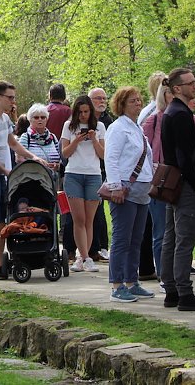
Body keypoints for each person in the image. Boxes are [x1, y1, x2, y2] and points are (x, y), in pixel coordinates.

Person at [0, 81, 46, 279]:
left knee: (2, 219)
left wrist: (33, 157)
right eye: (10, 97)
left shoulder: (5, 118)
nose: (13, 101)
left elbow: (12, 143)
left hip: (0, 174)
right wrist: (6, 171)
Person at [159, 68, 195, 311]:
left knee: (172, 237)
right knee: (184, 239)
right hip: (184, 184)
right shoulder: (180, 114)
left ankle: (172, 289)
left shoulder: (172, 112)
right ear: (177, 88)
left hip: (175, 183)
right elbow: (184, 155)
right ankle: (184, 292)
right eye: (190, 83)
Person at [103, 86, 155, 302]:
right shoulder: (117, 128)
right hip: (124, 188)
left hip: (142, 190)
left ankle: (132, 282)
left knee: (137, 239)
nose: (138, 103)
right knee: (122, 238)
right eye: (133, 100)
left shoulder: (137, 129)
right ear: (122, 104)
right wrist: (115, 186)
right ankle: (117, 285)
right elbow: (111, 158)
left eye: (139, 99)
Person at [60, 95, 105, 273]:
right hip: (73, 174)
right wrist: (77, 140)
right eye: (80, 112)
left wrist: (93, 139)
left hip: (93, 174)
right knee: (78, 219)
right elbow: (65, 153)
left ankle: (84, 255)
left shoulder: (100, 126)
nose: (83, 116)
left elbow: (103, 155)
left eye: (86, 112)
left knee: (89, 219)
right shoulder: (68, 126)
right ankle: (84, 257)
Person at [141, 82, 173, 278]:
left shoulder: (190, 118)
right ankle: (164, 274)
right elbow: (144, 151)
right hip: (159, 180)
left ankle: (176, 272)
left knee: (178, 232)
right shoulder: (153, 120)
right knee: (160, 230)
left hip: (181, 180)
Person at [89, 87, 112, 262]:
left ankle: (102, 246)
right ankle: (91, 248)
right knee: (92, 210)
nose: (102, 101)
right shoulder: (81, 120)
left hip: (104, 168)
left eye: (104, 98)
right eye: (98, 98)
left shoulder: (107, 121)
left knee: (100, 210)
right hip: (87, 169)